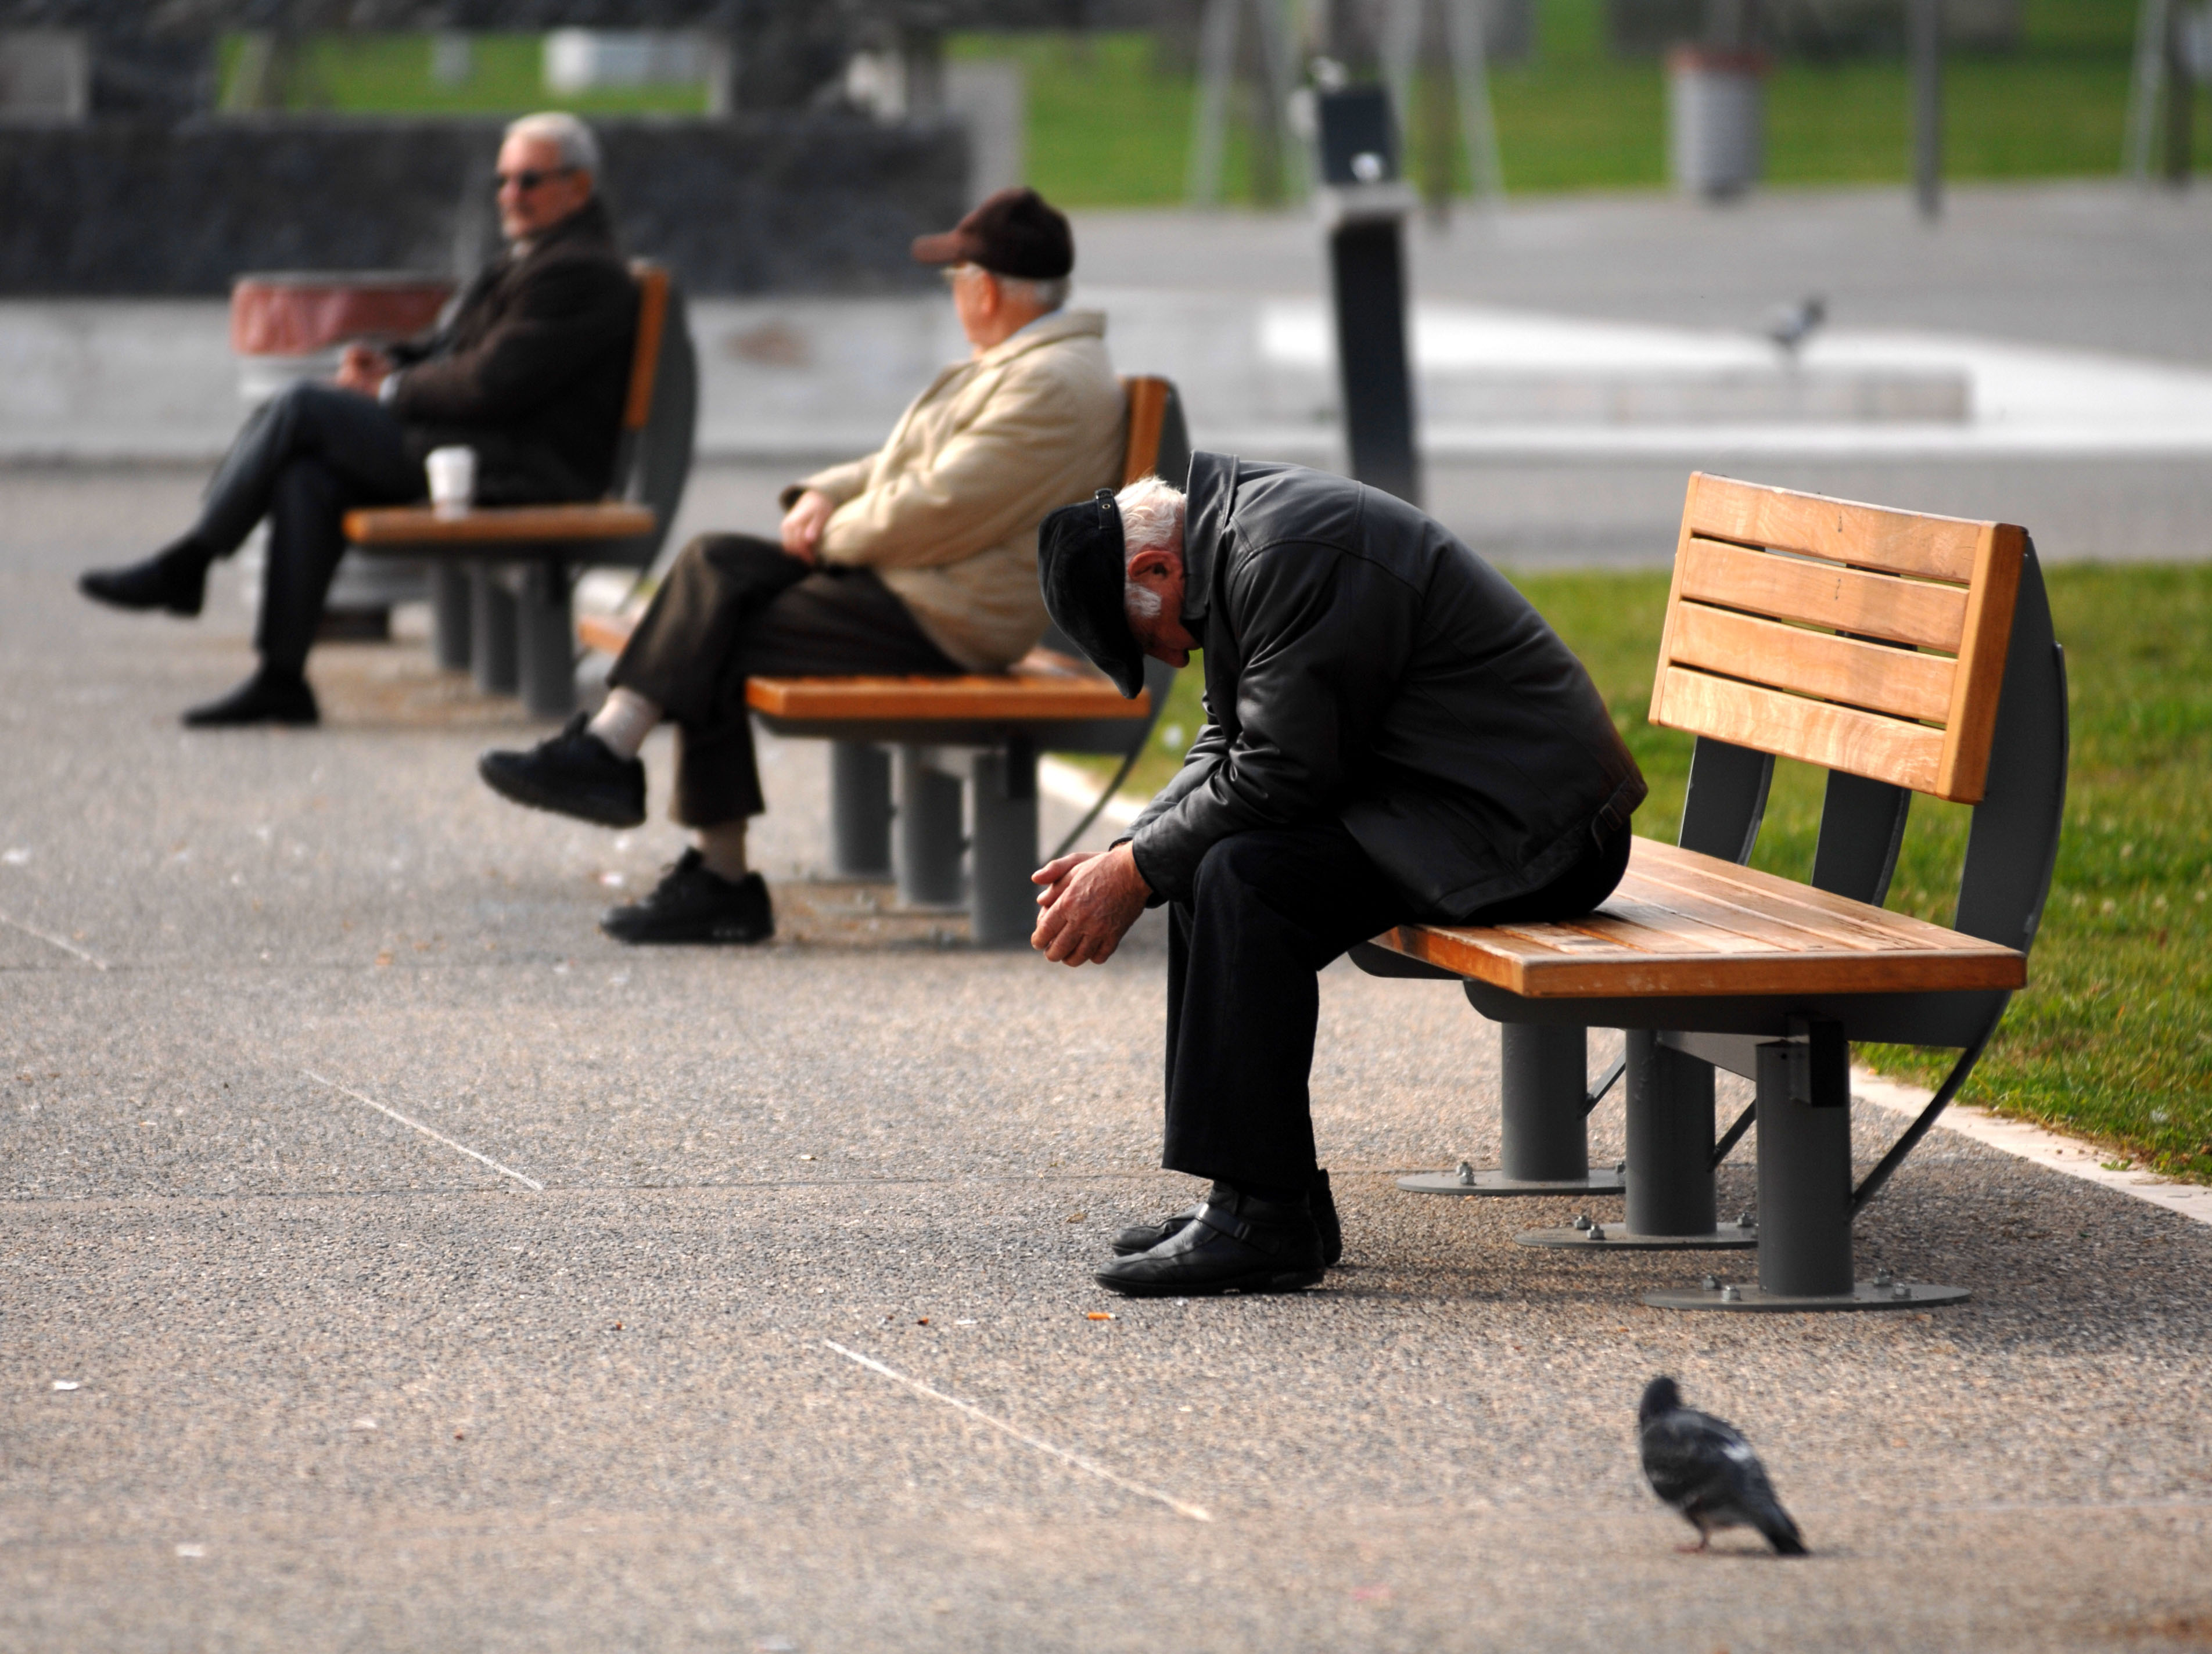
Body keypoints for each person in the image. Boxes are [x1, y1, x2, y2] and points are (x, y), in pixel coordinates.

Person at [1028, 461, 1649, 1297]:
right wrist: (1131, 853)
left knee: (1244, 876)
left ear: (1154, 569)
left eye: (1148, 638)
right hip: (1445, 807)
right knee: (1195, 861)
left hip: (1535, 832)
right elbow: (1229, 743)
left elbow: (1281, 771)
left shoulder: (1287, 552)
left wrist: (1134, 868)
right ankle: (1255, 1193)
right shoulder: (1238, 545)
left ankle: (1265, 1215)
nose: (1172, 653)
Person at [477, 187, 1126, 947]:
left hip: (947, 616)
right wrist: (822, 492)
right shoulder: (1030, 363)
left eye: (956, 280)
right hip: (916, 586)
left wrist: (827, 537)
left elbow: (938, 504)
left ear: (985, 287)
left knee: (712, 627)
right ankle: (626, 771)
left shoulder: (1050, 382)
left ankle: (697, 853)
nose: (954, 295)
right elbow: (896, 468)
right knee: (715, 565)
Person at [78, 112, 638, 728]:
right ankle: (280, 679)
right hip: (481, 447)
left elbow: (494, 382)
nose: (510, 195)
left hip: (525, 467)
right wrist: (392, 361)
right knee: (308, 477)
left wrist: (389, 388)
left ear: (578, 188)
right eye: (503, 181)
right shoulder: (538, 256)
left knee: (303, 406)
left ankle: (189, 562)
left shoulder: (580, 270)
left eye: (528, 181)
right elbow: (457, 352)